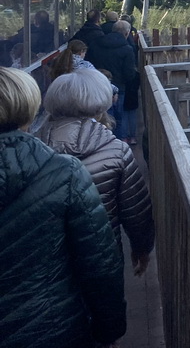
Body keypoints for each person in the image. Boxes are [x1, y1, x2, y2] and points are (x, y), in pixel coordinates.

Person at [0, 67, 126, 347]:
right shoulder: (64, 172)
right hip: (54, 327)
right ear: (29, 109)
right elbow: (99, 263)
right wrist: (110, 328)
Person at [38, 69, 155, 279]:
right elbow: (136, 211)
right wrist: (142, 247)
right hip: (101, 256)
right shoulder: (116, 151)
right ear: (102, 101)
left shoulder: (33, 148)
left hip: (45, 264)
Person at [87, 21, 138, 143]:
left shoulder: (95, 44)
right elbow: (129, 73)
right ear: (127, 33)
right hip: (119, 88)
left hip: (97, 85)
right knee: (117, 119)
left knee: (97, 116)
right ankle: (117, 144)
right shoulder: (127, 49)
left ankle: (100, 142)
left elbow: (89, 63)